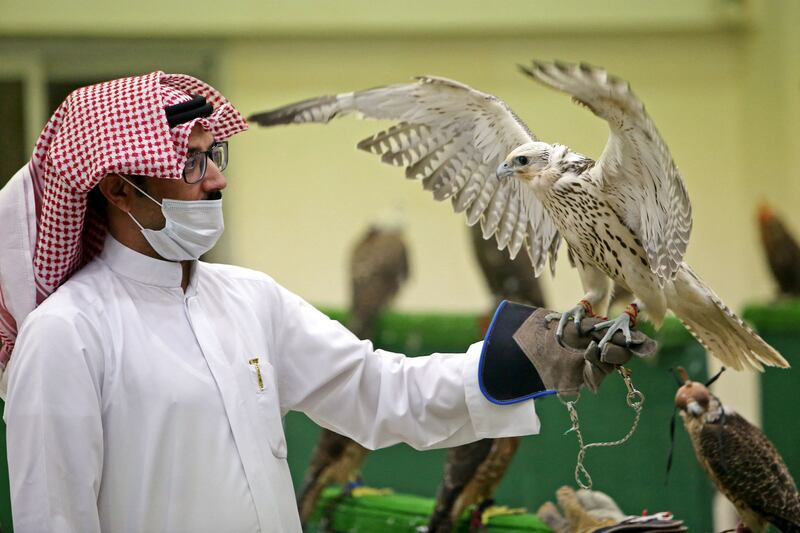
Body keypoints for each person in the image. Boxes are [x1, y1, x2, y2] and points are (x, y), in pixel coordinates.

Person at [0, 73, 655, 533]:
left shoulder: (248, 299)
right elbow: (52, 520)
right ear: (118, 187)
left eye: (215, 154)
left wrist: (535, 355)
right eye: (194, 162)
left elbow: (378, 389)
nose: (219, 177)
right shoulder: (67, 335)